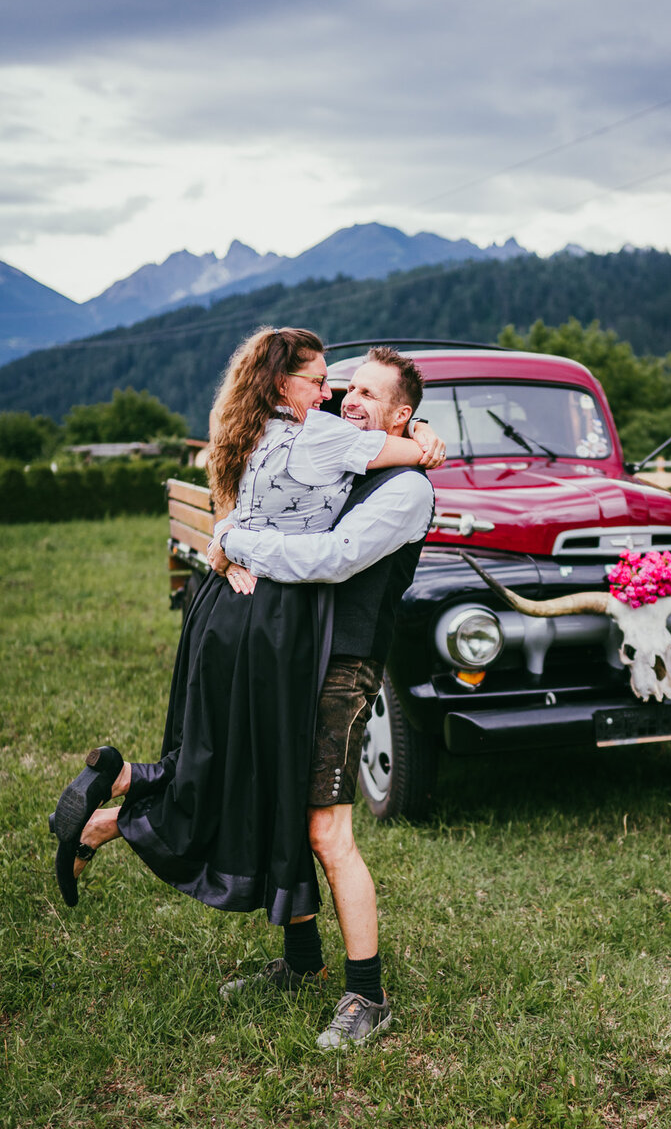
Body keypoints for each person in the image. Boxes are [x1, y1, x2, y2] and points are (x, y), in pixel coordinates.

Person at [51, 330, 444, 1051]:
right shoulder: (331, 450)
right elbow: (256, 495)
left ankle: (368, 994)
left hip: (344, 668)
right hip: (295, 655)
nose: (346, 399)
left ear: (400, 416)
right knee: (279, 813)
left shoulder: (407, 489)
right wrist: (230, 532)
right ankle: (300, 966)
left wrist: (241, 545)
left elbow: (329, 558)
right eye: (346, 387)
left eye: (368, 395)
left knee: (328, 830)